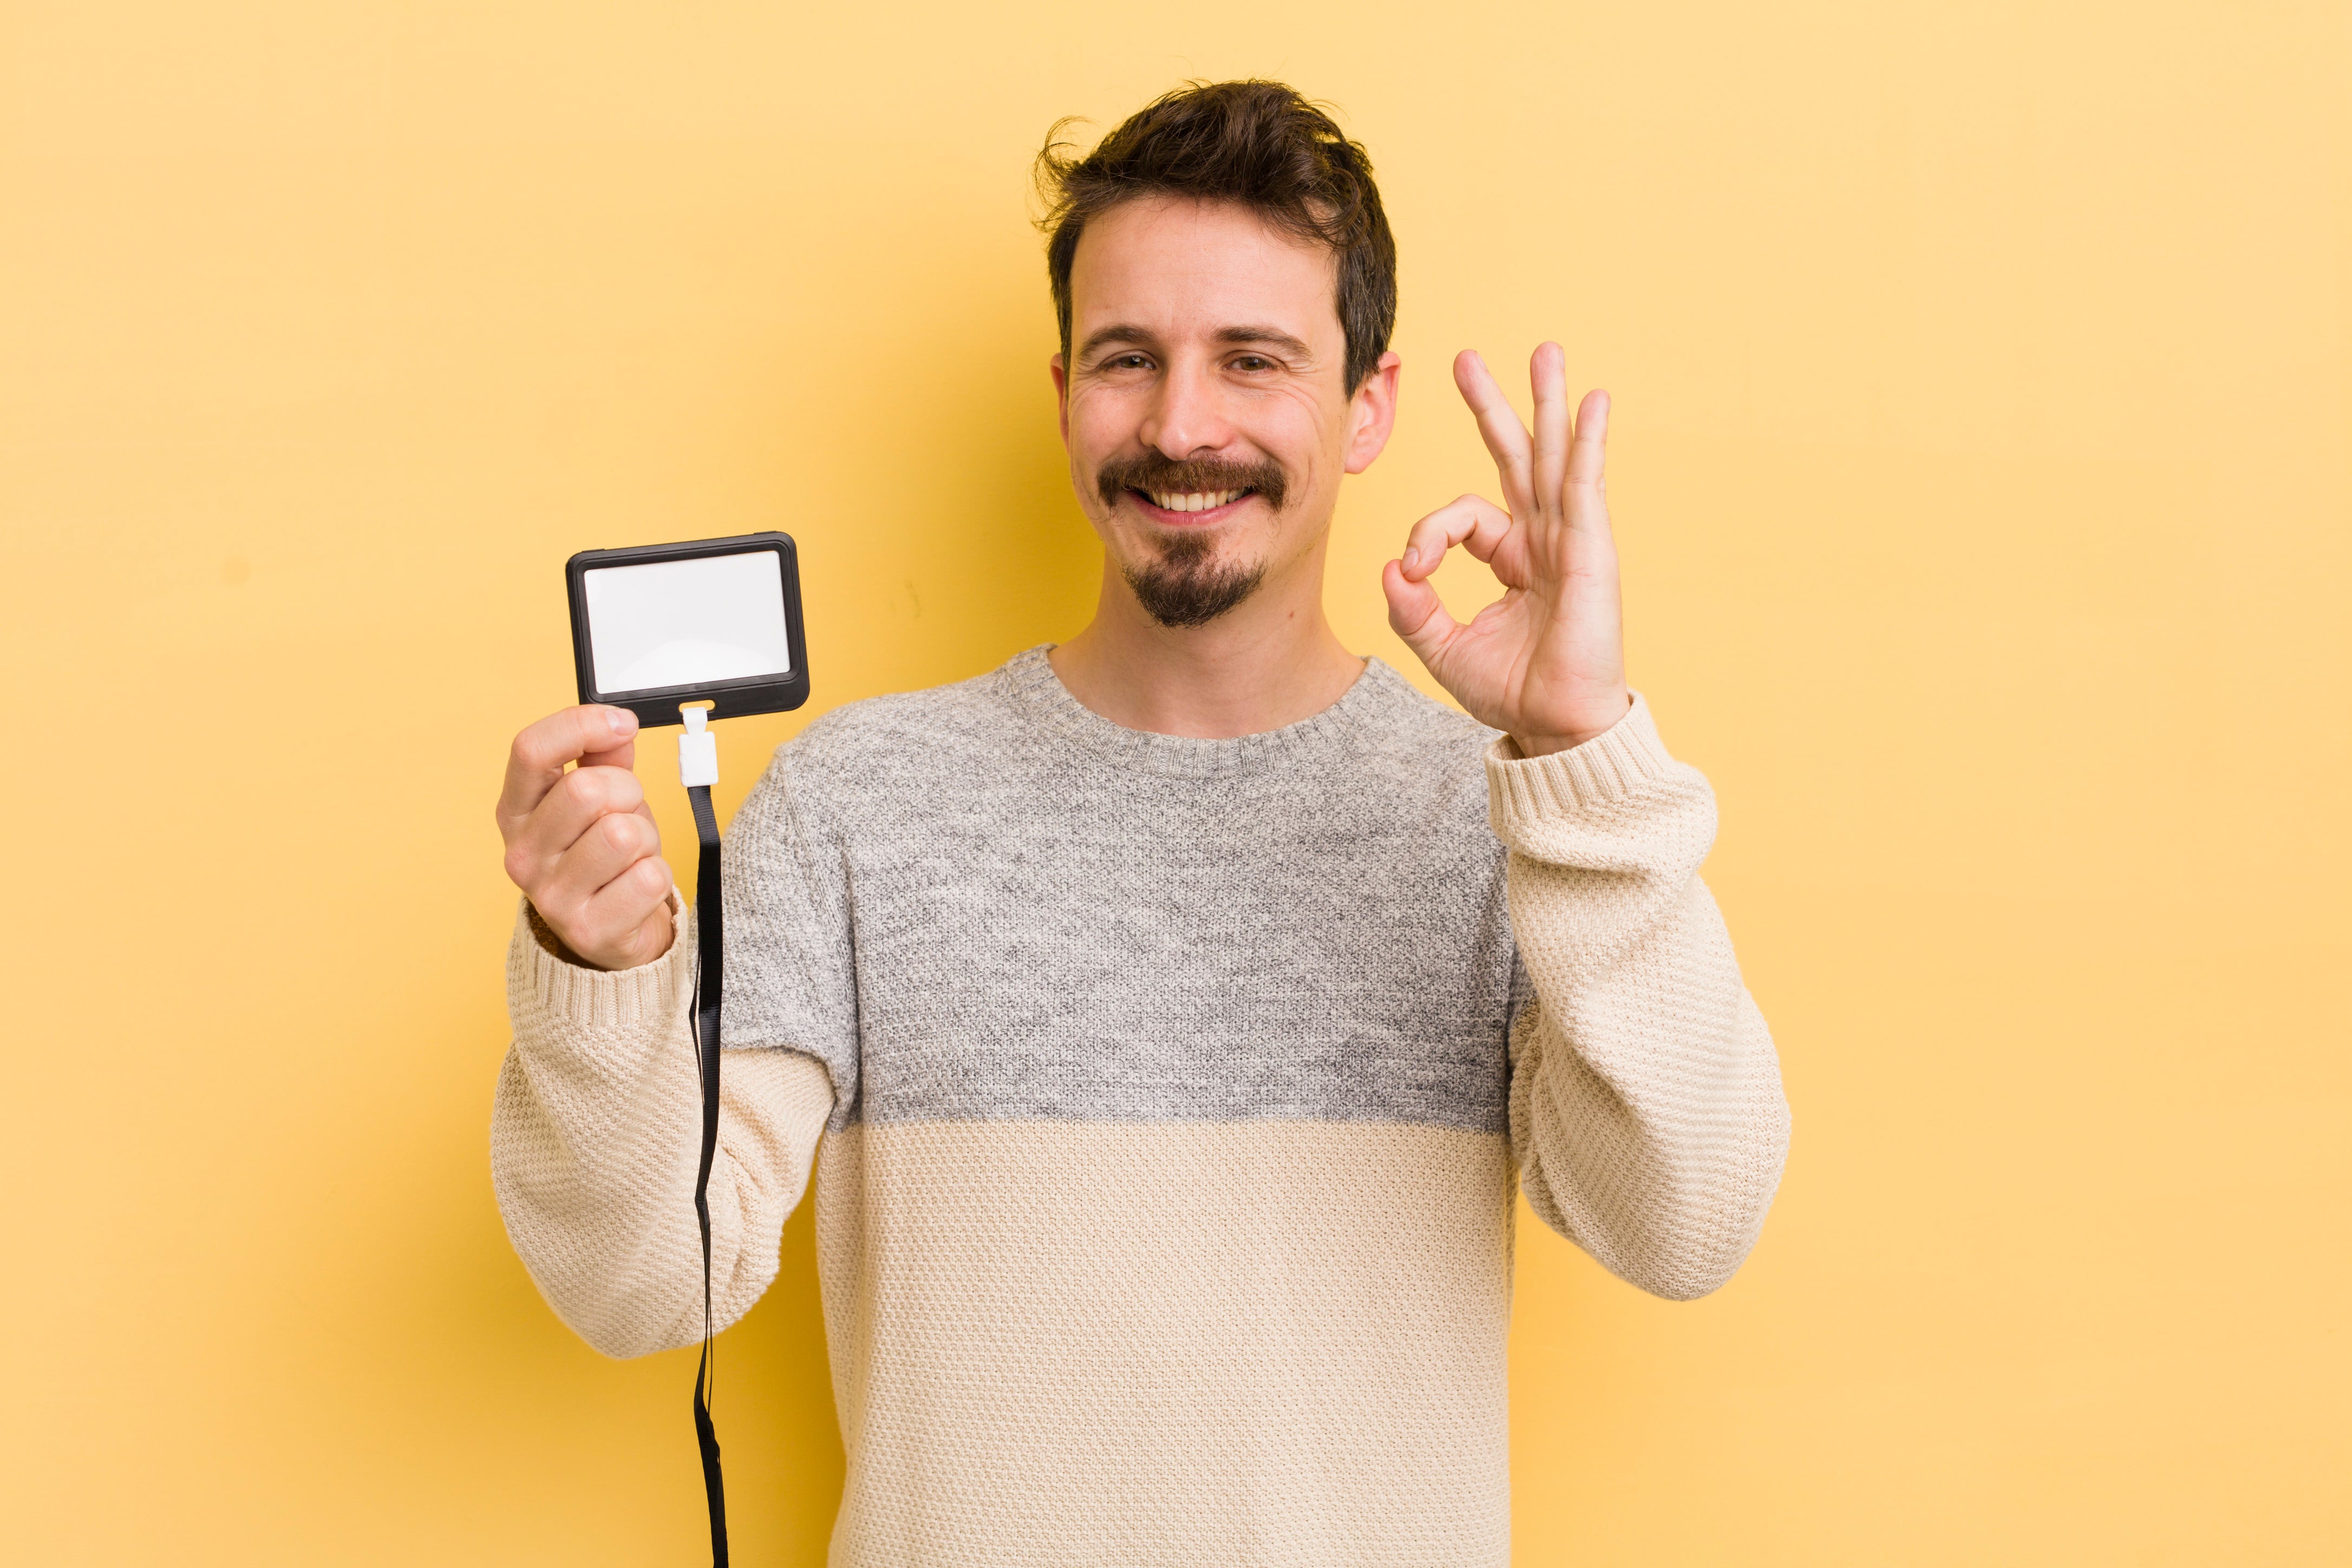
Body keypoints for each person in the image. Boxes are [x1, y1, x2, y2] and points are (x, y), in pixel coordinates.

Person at [491, 79, 1789, 1565]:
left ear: (1368, 407)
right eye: (1128, 360)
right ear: (1064, 397)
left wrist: (1580, 761)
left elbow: (1690, 1224)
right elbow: (641, 1279)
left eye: (1254, 361)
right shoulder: (860, 809)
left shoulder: (1498, 824)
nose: (1183, 427)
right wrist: (595, 975)